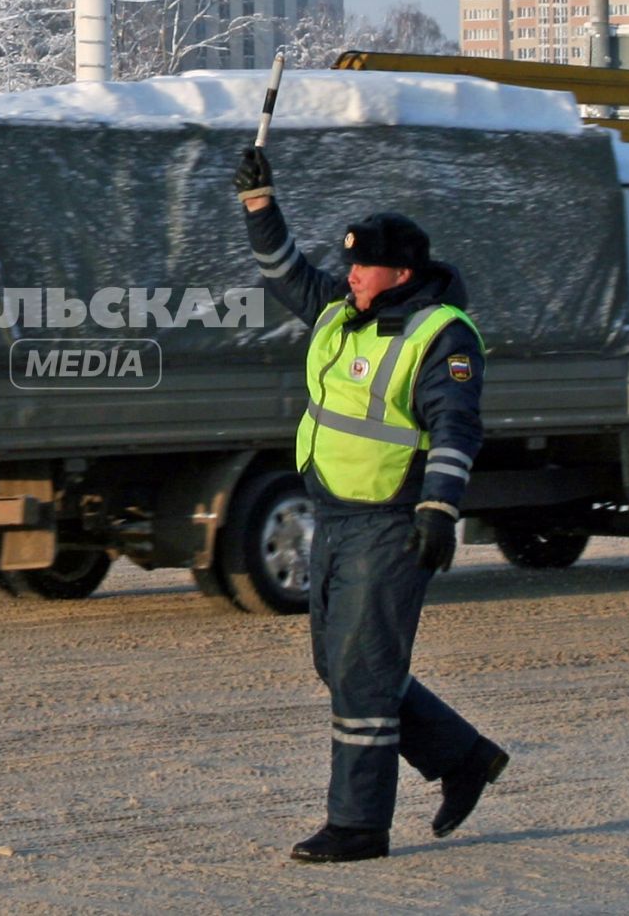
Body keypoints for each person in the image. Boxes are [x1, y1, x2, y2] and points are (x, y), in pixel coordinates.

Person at [234, 147, 509, 864]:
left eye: (363, 265)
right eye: (349, 263)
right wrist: (260, 204)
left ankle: (358, 825)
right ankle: (462, 757)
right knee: (342, 664)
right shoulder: (342, 311)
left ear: (403, 274)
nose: (349, 273)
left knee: (361, 672)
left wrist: (439, 511)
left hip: (392, 520)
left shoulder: (440, 333)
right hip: (335, 515)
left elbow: (456, 426)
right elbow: (284, 271)